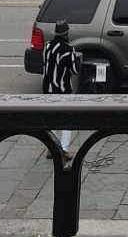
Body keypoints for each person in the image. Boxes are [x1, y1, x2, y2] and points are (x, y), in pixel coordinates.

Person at [41, 22, 84, 156]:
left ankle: (51, 148)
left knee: (52, 119)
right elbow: (75, 70)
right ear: (66, 34)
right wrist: (77, 60)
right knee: (66, 120)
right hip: (63, 89)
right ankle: (64, 150)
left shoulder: (48, 46)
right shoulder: (68, 49)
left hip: (48, 89)